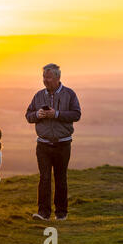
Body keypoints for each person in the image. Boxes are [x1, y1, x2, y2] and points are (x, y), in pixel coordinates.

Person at [25, 63, 81, 221]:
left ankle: (61, 213)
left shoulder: (69, 94)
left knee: (60, 178)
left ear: (57, 77)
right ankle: (43, 213)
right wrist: (38, 114)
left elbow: (76, 114)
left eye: (48, 77)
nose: (45, 80)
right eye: (44, 77)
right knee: (44, 178)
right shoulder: (38, 95)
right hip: (43, 144)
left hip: (63, 144)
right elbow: (28, 116)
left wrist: (56, 114)